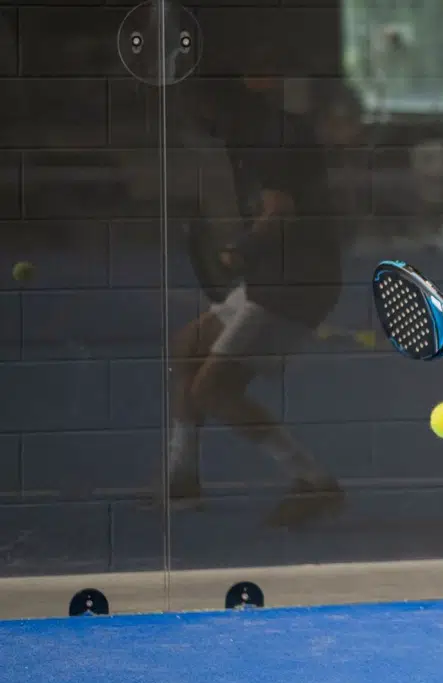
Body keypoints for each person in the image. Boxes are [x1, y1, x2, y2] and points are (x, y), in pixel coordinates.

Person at [163, 68, 346, 529]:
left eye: (196, 110)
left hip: (294, 284)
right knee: (187, 347)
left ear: (214, 106)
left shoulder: (269, 137)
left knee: (214, 388)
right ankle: (180, 478)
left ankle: (314, 481)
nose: (193, 120)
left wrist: (237, 251)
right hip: (274, 275)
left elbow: (279, 212)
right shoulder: (254, 132)